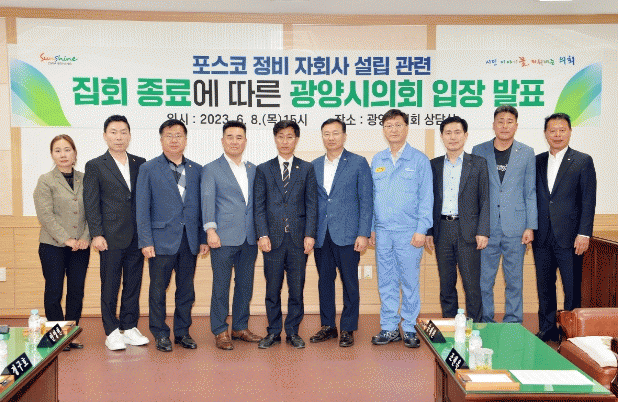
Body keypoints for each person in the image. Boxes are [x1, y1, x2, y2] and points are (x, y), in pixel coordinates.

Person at [136, 119, 209, 352]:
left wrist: (203, 238)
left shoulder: (197, 170)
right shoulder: (148, 168)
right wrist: (145, 241)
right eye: (169, 135)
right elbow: (142, 208)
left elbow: (201, 207)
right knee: (158, 290)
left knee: (186, 290)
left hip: (189, 240)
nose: (174, 140)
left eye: (178, 135)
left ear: (185, 140)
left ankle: (182, 332)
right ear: (161, 140)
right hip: (160, 241)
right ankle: (160, 333)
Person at [84, 115, 149, 351]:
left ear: (129, 135)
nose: (119, 137)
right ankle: (111, 331)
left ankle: (129, 327)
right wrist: (96, 234)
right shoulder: (95, 165)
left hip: (136, 236)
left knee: (133, 284)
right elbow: (91, 202)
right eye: (113, 132)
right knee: (110, 285)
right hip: (110, 237)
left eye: (123, 132)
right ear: (105, 136)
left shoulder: (140, 163)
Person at [369, 109, 433, 348]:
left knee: (409, 281)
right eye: (388, 126)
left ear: (406, 128)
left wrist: (422, 229)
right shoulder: (378, 160)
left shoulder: (419, 160)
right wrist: (371, 228)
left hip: (409, 231)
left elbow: (426, 197)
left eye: (398, 125)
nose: (393, 130)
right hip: (383, 231)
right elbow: (372, 197)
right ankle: (388, 327)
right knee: (386, 281)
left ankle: (409, 327)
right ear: (383, 130)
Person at [253, 120, 318, 349]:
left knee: (296, 289)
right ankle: (273, 332)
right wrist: (262, 234)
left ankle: (292, 331)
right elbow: (259, 206)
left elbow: (312, 204)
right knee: (272, 289)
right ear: (275, 139)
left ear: (296, 139)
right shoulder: (263, 169)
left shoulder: (307, 168)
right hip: (272, 240)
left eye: (290, 137)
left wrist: (310, 234)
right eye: (280, 136)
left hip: (298, 240)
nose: (285, 141)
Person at [533, 113, 597, 342]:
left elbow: (588, 200)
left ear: (570, 132)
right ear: (545, 134)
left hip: (570, 237)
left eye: (562, 130)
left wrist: (584, 233)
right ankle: (547, 328)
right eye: (552, 130)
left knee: (571, 288)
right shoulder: (537, 161)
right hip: (541, 236)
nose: (557, 135)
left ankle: (571, 333)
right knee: (544, 287)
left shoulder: (582, 160)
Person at [309, 118, 373, 347]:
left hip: (348, 234)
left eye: (335, 133)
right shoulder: (314, 165)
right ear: (322, 137)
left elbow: (366, 200)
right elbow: (312, 202)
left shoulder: (358, 162)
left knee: (349, 283)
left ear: (344, 136)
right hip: (322, 234)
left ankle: (348, 327)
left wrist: (363, 233)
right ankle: (328, 326)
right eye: (326, 133)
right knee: (324, 282)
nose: (331, 138)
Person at [472, 105, 537, 324]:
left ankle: (513, 322)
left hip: (516, 227)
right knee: (484, 281)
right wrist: (476, 226)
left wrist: (530, 226)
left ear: (516, 126)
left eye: (510, 122)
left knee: (514, 281)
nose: (505, 126)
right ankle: (485, 321)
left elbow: (530, 192)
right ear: (493, 125)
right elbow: (475, 192)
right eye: (500, 121)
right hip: (486, 228)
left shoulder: (526, 152)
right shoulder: (479, 150)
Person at [201, 120, 263, 350]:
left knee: (245, 285)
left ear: (245, 141)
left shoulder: (253, 169)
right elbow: (207, 201)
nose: (234, 141)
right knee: (221, 286)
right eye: (230, 137)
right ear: (222, 140)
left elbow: (257, 204)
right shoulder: (211, 169)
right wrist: (210, 231)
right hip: (222, 238)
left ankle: (240, 327)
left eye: (239, 137)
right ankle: (220, 330)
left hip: (249, 237)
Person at [424, 116, 490, 323]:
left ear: (465, 135)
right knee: (446, 284)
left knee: (472, 285)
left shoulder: (478, 163)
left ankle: (475, 326)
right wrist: (429, 231)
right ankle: (450, 326)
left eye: (457, 132)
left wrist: (483, 230)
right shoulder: (433, 165)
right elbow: (428, 200)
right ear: (442, 136)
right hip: (442, 229)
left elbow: (485, 199)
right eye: (448, 133)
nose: (453, 137)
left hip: (468, 230)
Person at [33, 135, 90, 351]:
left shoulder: (86, 179)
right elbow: (45, 215)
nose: (63, 154)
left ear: (75, 153)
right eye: (58, 150)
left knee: (76, 292)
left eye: (67, 150)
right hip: (52, 246)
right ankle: (57, 336)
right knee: (54, 291)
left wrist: (85, 237)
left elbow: (93, 212)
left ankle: (71, 334)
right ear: (52, 155)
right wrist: (66, 238)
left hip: (80, 247)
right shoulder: (46, 180)